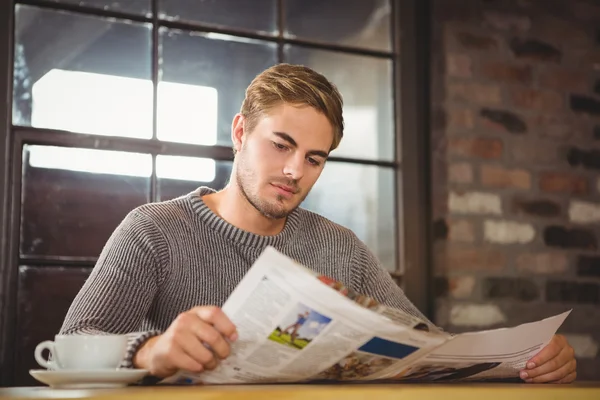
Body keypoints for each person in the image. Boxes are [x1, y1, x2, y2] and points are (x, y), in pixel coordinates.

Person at [59, 63, 576, 384]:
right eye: (281, 145)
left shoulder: (339, 247)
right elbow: (70, 345)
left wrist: (525, 360)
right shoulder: (153, 230)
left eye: (314, 158)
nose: (294, 171)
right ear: (240, 132)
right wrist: (152, 350)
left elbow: (428, 351)